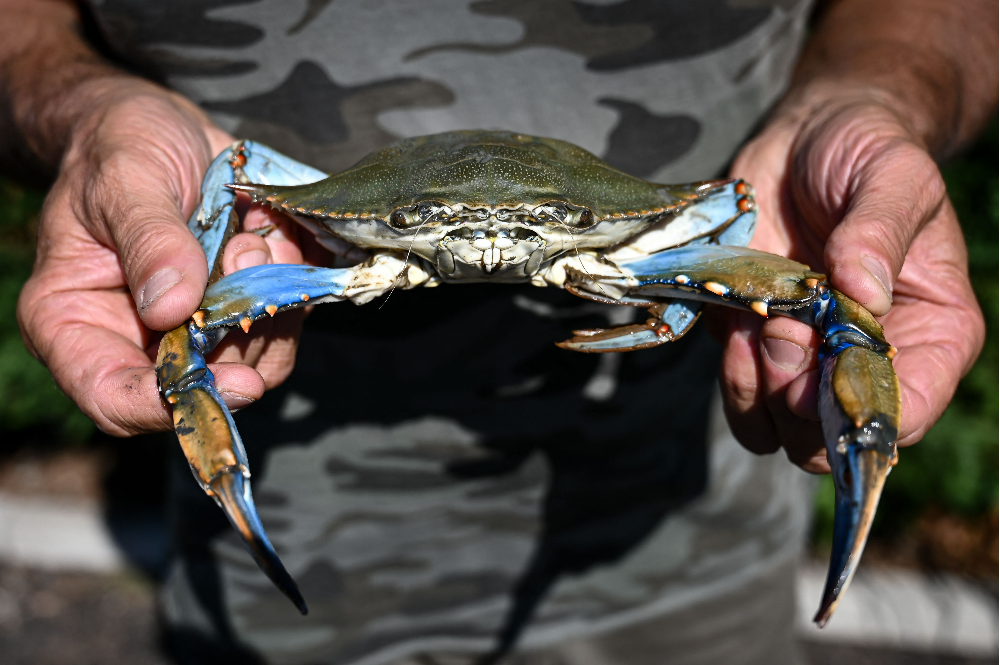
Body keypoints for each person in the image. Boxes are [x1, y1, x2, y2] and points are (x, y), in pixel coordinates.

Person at [3, 0, 995, 663]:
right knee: (189, 345)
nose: (484, 248)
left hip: (686, 573)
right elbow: (219, 173)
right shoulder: (287, 201)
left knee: (834, 303)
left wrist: (879, 93)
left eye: (528, 231)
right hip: (263, 600)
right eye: (437, 231)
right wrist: (84, 108)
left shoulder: (696, 219)